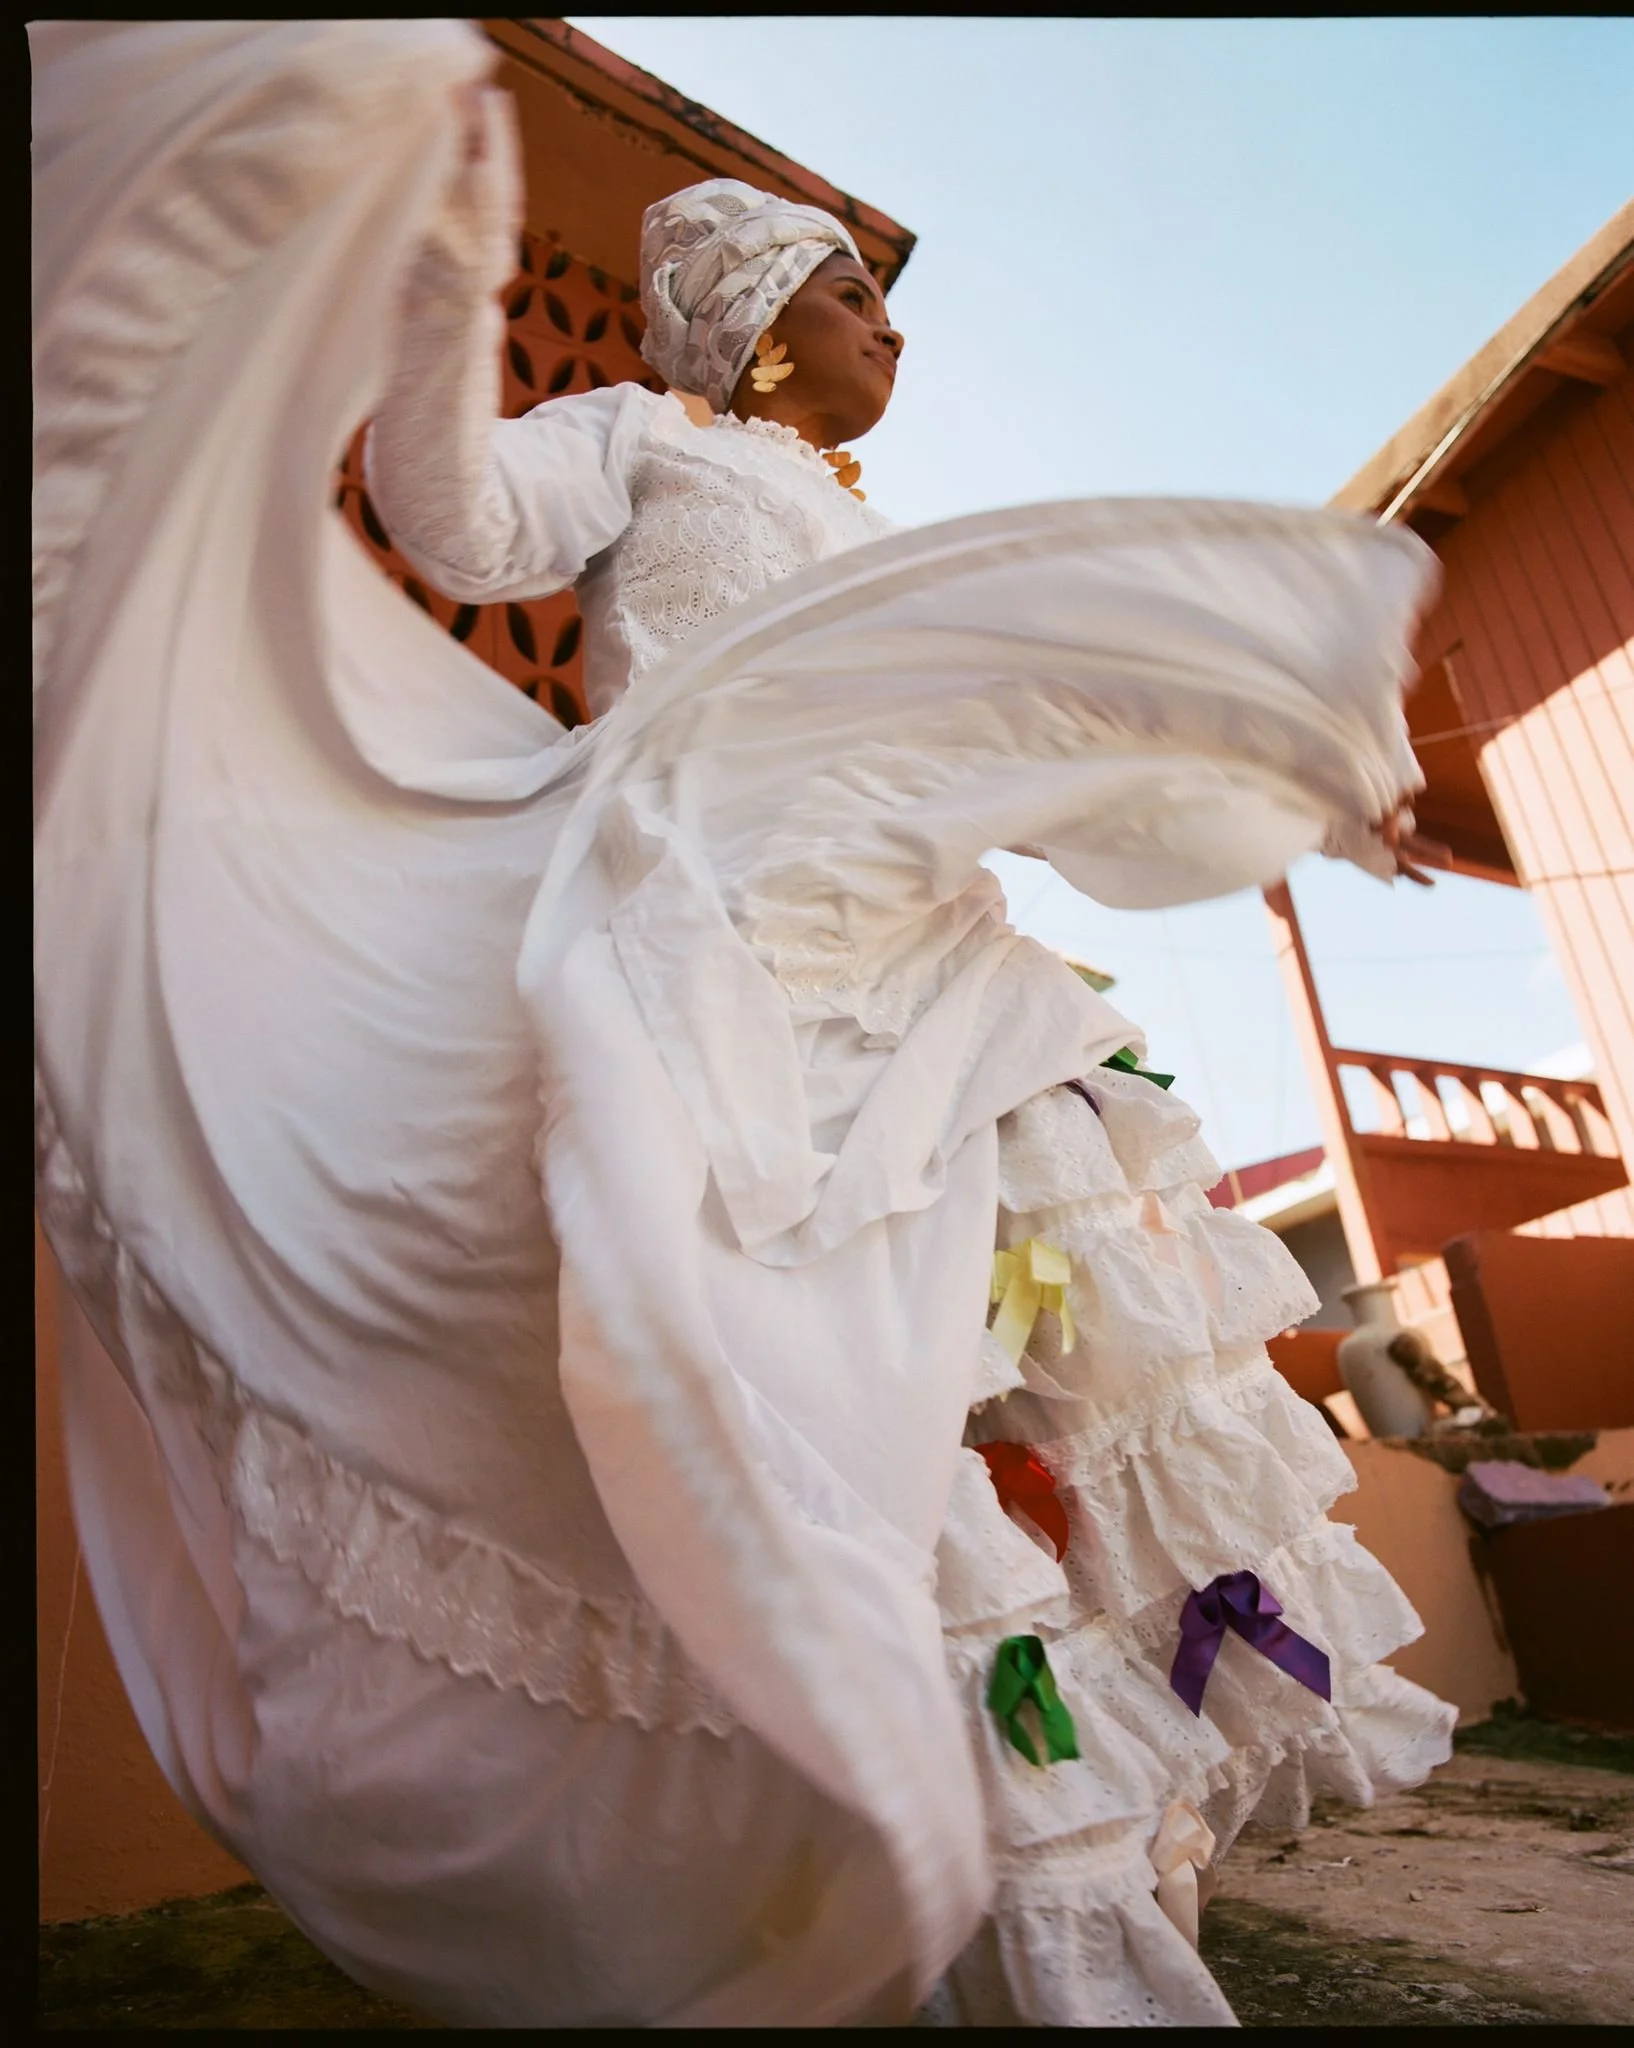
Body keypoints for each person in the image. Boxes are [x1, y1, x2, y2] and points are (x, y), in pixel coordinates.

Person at [33, 21, 1456, 2028]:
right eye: (847, 289)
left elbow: (998, 714)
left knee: (1009, 1386)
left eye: (879, 288)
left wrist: (1287, 760)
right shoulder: (641, 437)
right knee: (812, 1369)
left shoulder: (863, 522)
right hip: (715, 941)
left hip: (922, 967)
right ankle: (896, 1846)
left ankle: (1052, 1872)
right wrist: (452, 270)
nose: (885, 325)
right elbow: (451, 525)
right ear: (751, 324)